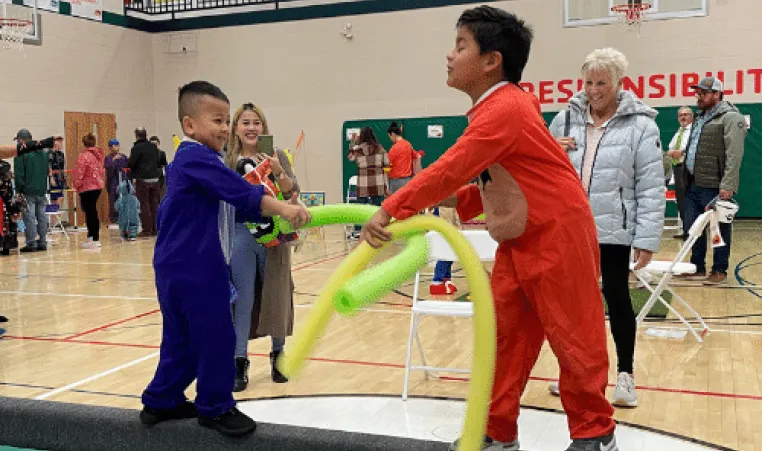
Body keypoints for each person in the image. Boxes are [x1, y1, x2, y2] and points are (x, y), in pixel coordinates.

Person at [360, 6, 617, 451]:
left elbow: (452, 167)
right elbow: (492, 180)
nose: (449, 55)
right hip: (518, 241)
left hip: (558, 235)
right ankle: (499, 431)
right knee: (505, 341)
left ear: (490, 61)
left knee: (575, 338)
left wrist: (391, 208)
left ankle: (596, 433)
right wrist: (444, 201)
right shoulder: (492, 111)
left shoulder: (506, 108)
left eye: (460, 46)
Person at [140, 81, 310, 438]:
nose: (224, 127)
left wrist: (283, 194)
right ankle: (216, 406)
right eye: (217, 120)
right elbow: (241, 193)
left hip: (175, 266)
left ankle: (162, 399)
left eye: (225, 121)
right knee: (217, 334)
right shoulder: (196, 158)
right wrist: (284, 209)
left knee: (181, 338)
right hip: (196, 267)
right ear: (189, 126)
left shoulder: (196, 159)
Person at [548, 47, 665, 409]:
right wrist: (553, 148)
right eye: (588, 82)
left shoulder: (642, 126)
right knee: (572, 305)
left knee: (616, 297)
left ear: (618, 84)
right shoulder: (564, 121)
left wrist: (646, 238)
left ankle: (626, 375)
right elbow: (539, 167)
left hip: (614, 229)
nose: (594, 89)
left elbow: (650, 185)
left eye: (602, 82)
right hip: (570, 228)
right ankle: (574, 373)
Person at [224, 103, 299, 391]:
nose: (252, 127)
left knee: (277, 296)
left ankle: (278, 354)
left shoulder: (276, 156)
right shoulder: (227, 160)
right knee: (242, 299)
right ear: (236, 128)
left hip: (275, 235)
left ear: (264, 128)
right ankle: (239, 360)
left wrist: (279, 171)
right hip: (242, 234)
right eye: (246, 122)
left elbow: (292, 192)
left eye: (257, 122)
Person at [679, 77, 747, 285]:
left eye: (703, 93)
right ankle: (697, 267)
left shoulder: (730, 118)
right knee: (692, 228)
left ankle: (719, 270)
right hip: (693, 183)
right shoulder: (700, 117)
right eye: (697, 92)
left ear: (717, 94)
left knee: (719, 231)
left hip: (716, 186)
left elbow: (734, 154)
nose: (698, 96)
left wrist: (728, 185)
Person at [14, 129, 53, 253]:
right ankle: (42, 242)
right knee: (42, 217)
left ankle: (31, 243)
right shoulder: (43, 153)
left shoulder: (21, 154)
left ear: (21, 140)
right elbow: (47, 171)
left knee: (29, 217)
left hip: (28, 190)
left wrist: (18, 191)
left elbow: (19, 174)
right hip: (41, 190)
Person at [348, 127, 389, 237]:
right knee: (376, 207)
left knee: (360, 206)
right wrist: (386, 183)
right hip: (378, 181)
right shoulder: (380, 149)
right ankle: (377, 230)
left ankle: (357, 230)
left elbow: (350, 157)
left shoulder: (357, 149)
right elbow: (387, 164)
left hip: (363, 181)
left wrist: (353, 141)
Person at [72, 133, 106, 249]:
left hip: (87, 187)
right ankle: (93, 237)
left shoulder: (83, 156)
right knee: (93, 212)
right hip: (97, 186)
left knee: (90, 212)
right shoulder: (99, 155)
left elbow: (79, 172)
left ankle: (93, 238)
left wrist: (76, 185)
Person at [128, 127, 161, 237]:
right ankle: (156, 229)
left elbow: (132, 163)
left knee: (144, 204)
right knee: (155, 203)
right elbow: (158, 161)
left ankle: (147, 230)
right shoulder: (153, 147)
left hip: (143, 179)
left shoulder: (136, 148)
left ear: (136, 135)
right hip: (155, 179)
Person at [667, 107, 694, 239]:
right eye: (680, 115)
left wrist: (681, 152)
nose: (683, 117)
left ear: (691, 116)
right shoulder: (679, 132)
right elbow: (671, 147)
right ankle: (686, 230)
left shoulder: (694, 131)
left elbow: (695, 146)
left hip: (688, 169)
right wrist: (671, 152)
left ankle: (693, 231)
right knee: (681, 201)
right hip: (677, 168)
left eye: (686, 115)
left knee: (689, 201)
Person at [386, 121, 419, 194]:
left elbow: (387, 165)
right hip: (408, 180)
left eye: (390, 136)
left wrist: (386, 176)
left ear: (393, 134)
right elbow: (416, 157)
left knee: (396, 204)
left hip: (396, 182)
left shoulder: (394, 149)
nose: (390, 139)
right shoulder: (408, 144)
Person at [104, 139, 128, 224]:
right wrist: (113, 160)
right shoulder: (108, 158)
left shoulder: (124, 157)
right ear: (110, 147)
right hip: (113, 183)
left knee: (124, 200)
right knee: (113, 202)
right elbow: (109, 170)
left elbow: (127, 169)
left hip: (123, 181)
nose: (117, 147)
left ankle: (124, 218)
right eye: (115, 145)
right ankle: (114, 219)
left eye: (118, 145)